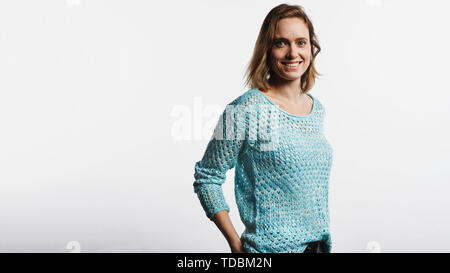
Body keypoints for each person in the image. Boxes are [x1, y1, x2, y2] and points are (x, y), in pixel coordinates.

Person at [193, 3, 333, 253]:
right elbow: (207, 177)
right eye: (281, 43)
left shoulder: (316, 109)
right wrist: (236, 244)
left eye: (301, 42)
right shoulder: (245, 110)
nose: (293, 53)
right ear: (267, 50)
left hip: (319, 247)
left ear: (311, 48)